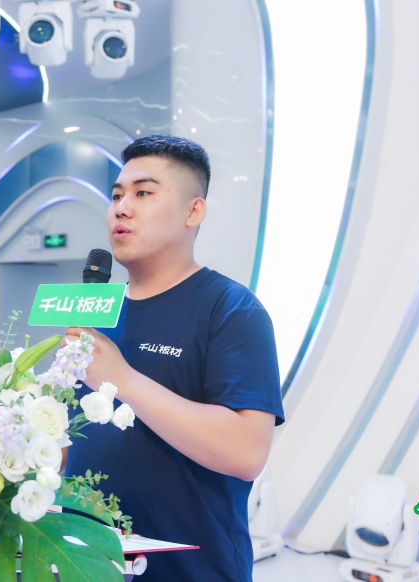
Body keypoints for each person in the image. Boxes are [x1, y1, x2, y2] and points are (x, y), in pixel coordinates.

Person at [64, 135, 285, 582]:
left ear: (193, 211)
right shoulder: (95, 312)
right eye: (116, 196)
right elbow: (72, 442)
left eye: (143, 193)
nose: (122, 208)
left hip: (190, 571)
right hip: (84, 566)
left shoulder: (231, 309)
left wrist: (123, 379)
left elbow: (246, 452)